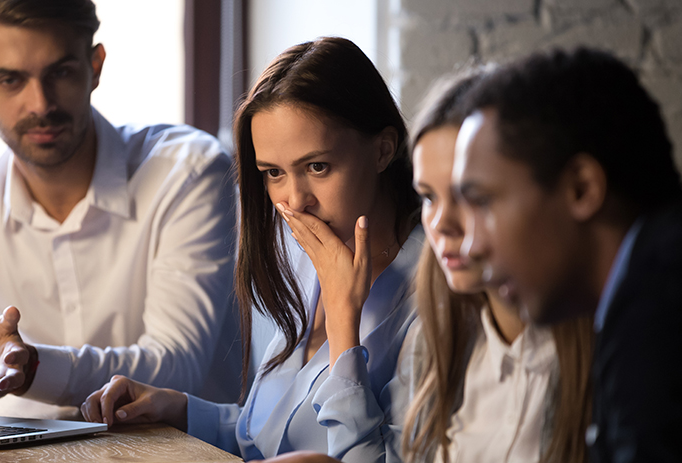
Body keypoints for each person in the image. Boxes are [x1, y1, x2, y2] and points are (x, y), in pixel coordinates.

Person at [79, 37, 424, 462]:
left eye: (317, 167)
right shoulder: (303, 256)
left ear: (383, 150)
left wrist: (344, 331)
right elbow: (269, 438)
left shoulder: (431, 300)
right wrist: (178, 408)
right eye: (274, 173)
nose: (295, 201)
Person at [0, 0, 241, 412]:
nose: (40, 104)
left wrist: (34, 367)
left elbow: (178, 366)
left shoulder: (187, 171)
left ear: (95, 66)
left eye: (60, 72)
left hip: (187, 452)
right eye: (10, 80)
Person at [453, 47, 682, 462]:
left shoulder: (659, 322)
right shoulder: (640, 300)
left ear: (581, 188)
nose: (471, 246)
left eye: (483, 202)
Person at [392, 69, 594, 463]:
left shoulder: (613, 353)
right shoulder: (431, 346)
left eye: (470, 194)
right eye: (429, 197)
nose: (441, 224)